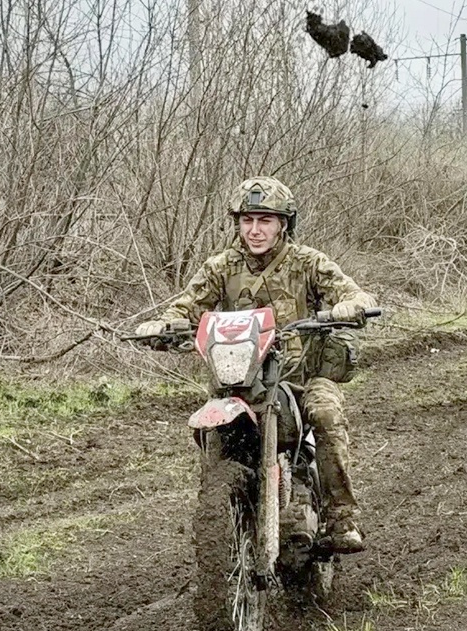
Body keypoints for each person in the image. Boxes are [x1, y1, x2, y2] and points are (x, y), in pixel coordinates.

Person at [135, 176, 377, 553]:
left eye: (265, 220)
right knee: (214, 431)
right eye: (247, 220)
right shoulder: (222, 267)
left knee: (326, 413)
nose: (255, 230)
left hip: (300, 377)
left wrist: (351, 305)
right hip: (240, 381)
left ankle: (341, 518)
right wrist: (163, 325)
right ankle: (218, 527)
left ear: (284, 224)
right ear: (237, 223)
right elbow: (186, 306)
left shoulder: (307, 262)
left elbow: (352, 292)